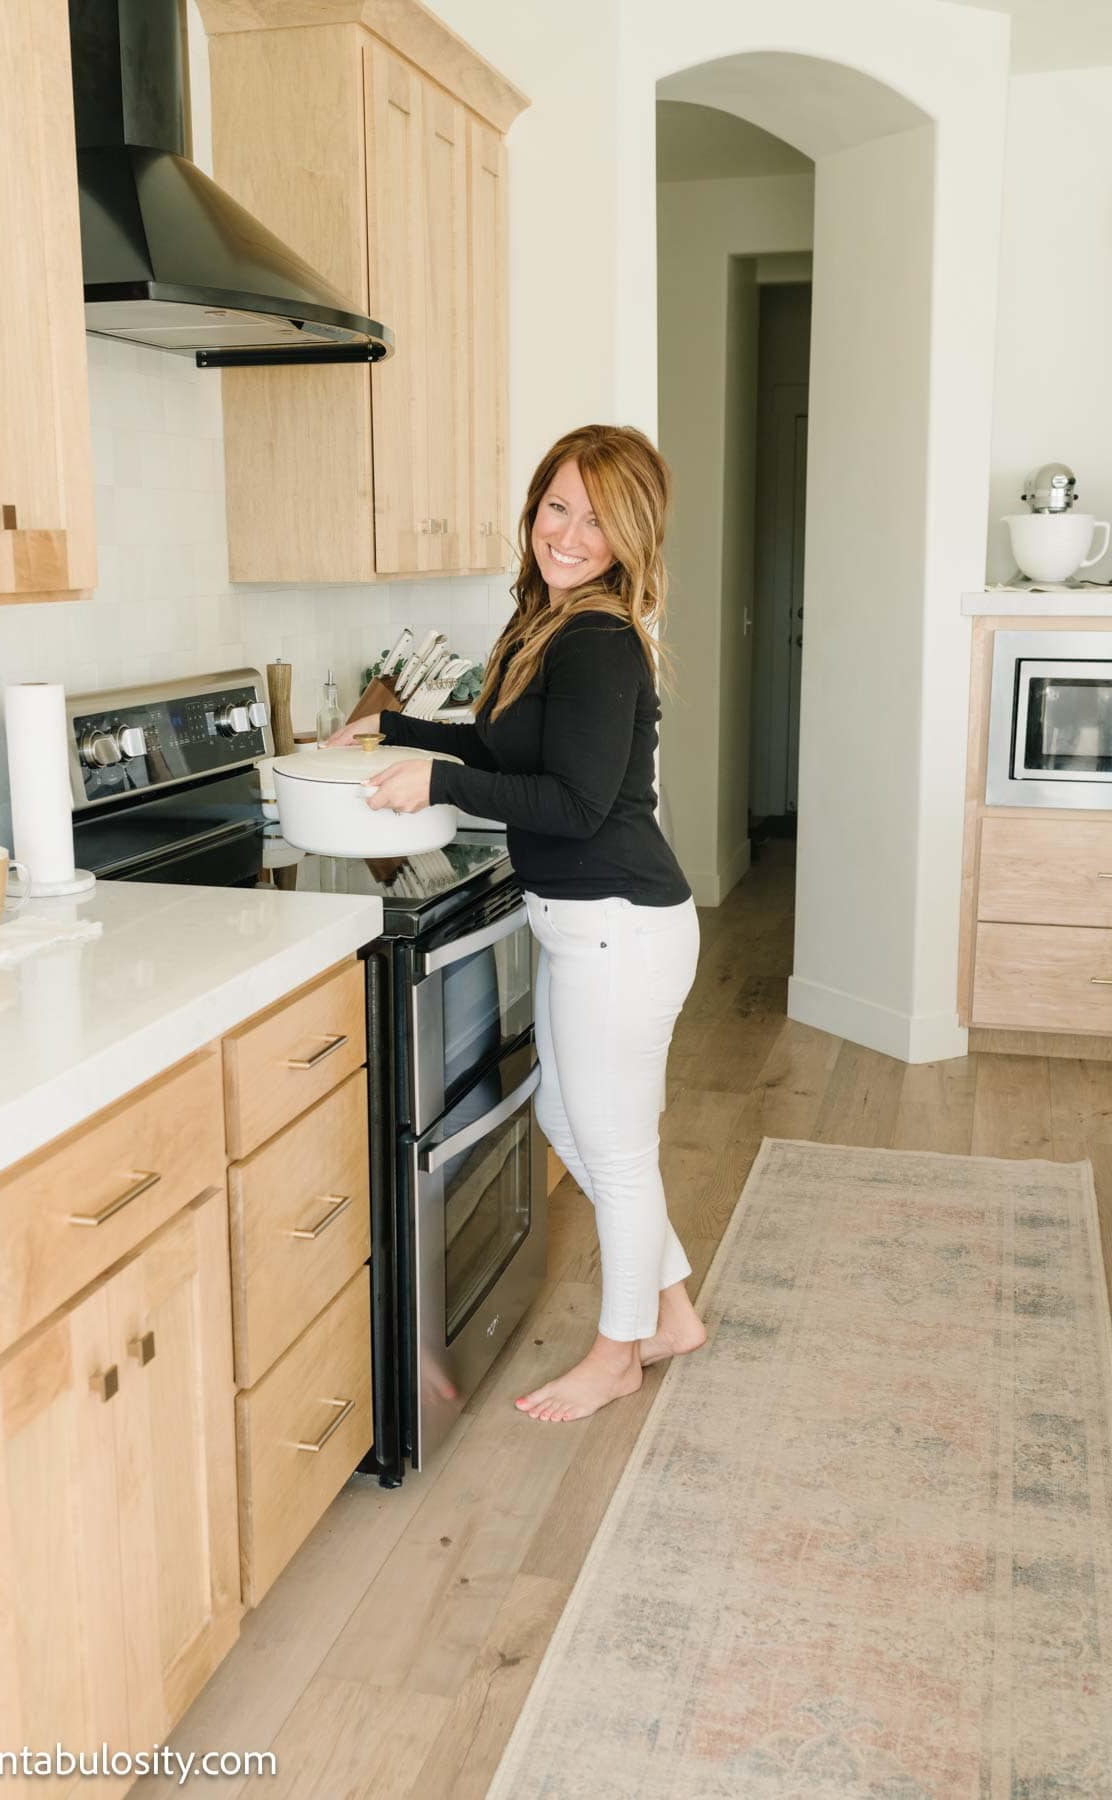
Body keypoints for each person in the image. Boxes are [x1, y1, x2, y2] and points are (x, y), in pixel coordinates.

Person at [328, 424, 704, 1422]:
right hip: (593, 927)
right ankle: (672, 1315)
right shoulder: (548, 622)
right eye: (557, 507)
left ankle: (618, 1356)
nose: (569, 535)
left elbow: (573, 804)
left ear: (632, 536)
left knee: (615, 1151)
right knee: (569, 1123)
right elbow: (507, 750)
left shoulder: (598, 639)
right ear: (535, 507)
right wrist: (394, 728)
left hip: (620, 930)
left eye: (598, 520)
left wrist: (438, 780)